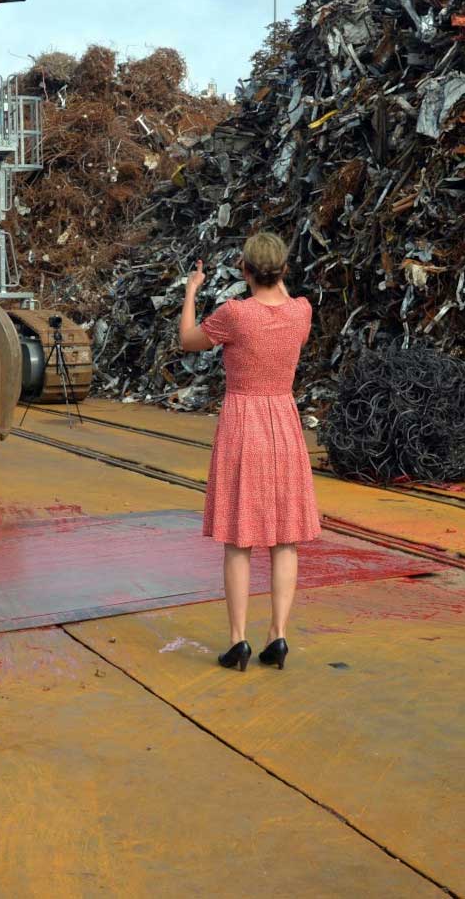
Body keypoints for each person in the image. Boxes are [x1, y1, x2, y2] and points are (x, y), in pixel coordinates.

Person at [179, 231, 321, 672]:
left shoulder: (235, 315)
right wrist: (277, 281)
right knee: (285, 539)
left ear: (244, 271)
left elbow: (188, 339)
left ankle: (238, 641)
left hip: (244, 421)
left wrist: (190, 292)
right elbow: (283, 301)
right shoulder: (302, 312)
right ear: (283, 271)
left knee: (240, 540)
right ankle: (277, 635)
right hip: (283, 419)